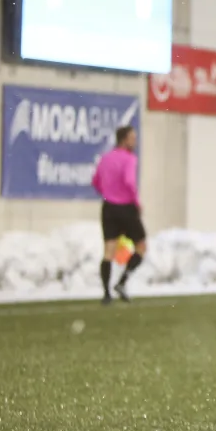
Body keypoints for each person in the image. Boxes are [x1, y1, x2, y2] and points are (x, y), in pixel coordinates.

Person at [91, 125, 146, 305]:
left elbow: (96, 182)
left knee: (109, 250)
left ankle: (106, 293)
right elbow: (129, 181)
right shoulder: (129, 159)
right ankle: (122, 282)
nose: (134, 142)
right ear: (124, 140)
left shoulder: (105, 158)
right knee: (141, 245)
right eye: (132, 138)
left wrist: (108, 194)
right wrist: (135, 202)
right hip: (126, 207)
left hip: (109, 207)